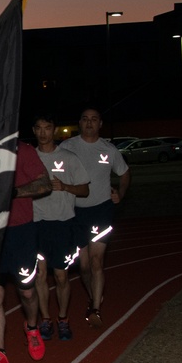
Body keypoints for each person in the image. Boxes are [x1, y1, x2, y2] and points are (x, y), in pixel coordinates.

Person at [0, 140, 52, 363]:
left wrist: (14, 192)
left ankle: (32, 327)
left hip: (21, 231)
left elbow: (45, 184)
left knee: (27, 291)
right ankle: (0, 353)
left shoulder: (23, 150)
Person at [59, 108, 131, 327]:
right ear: (79, 123)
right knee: (84, 267)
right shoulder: (67, 147)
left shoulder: (108, 150)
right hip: (75, 212)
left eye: (94, 119)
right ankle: (93, 297)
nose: (89, 123)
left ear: (100, 124)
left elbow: (125, 173)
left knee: (97, 261)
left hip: (101, 210)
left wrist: (121, 192)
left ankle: (96, 309)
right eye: (85, 119)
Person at [31, 115, 90, 342]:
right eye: (39, 128)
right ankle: (45, 319)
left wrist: (64, 186)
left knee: (61, 276)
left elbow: (84, 190)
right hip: (36, 224)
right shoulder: (29, 158)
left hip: (63, 224)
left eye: (48, 127)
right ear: (34, 130)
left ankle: (63, 319)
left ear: (54, 130)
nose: (43, 132)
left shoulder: (68, 157)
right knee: (40, 275)